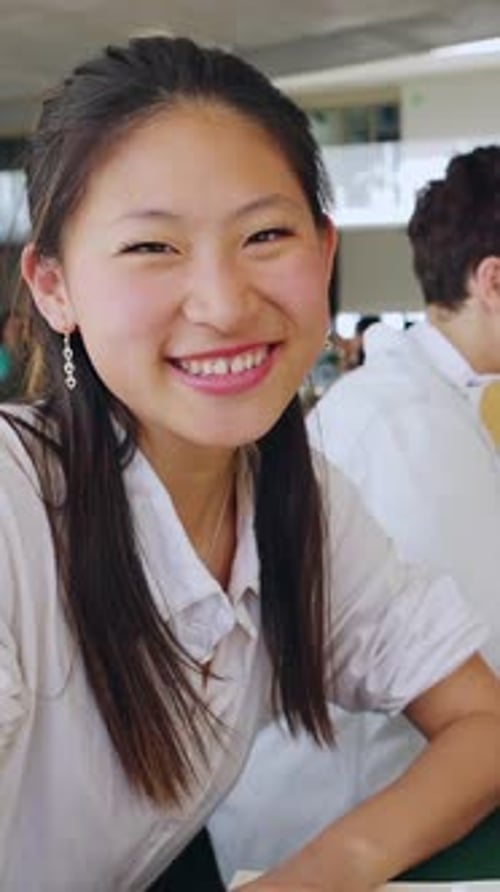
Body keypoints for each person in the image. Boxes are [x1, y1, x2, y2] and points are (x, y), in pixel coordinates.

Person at [0, 37, 499, 892]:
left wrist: (328, 869)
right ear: (54, 286)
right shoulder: (15, 509)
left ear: (324, 251)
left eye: (265, 234)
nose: (226, 304)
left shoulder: (292, 492)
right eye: (153, 248)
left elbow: (481, 720)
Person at [307, 143, 500, 836]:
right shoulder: (404, 425)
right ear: (494, 282)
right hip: (362, 811)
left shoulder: (439, 399)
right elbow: (481, 648)